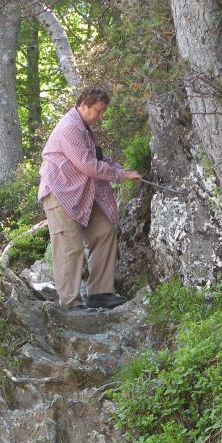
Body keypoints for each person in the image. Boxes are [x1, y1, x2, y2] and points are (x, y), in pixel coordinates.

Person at [38, 88, 142, 311]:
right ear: (83, 104)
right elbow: (88, 165)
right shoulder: (70, 128)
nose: (100, 117)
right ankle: (70, 302)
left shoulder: (83, 127)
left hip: (81, 193)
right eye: (98, 111)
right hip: (59, 193)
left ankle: (100, 293)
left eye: (103, 112)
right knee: (69, 246)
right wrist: (122, 175)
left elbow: (98, 157)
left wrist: (121, 168)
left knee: (104, 231)